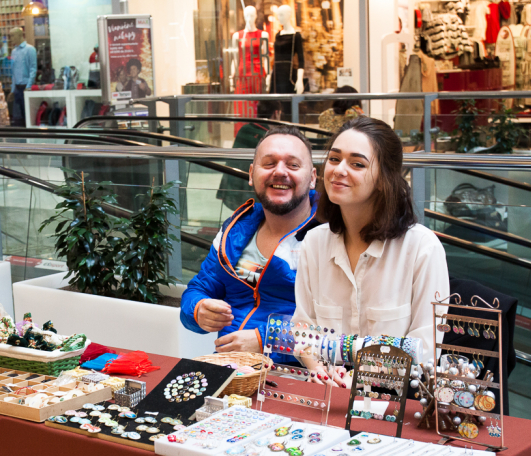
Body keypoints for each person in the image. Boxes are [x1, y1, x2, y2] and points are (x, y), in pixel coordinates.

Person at [292, 117, 449, 386]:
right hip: (328, 395)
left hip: (395, 402)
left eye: (357, 164)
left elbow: (425, 349)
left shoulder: (422, 248)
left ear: (383, 179)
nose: (339, 170)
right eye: (334, 159)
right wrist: (320, 371)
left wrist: (358, 377)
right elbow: (303, 330)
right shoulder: (314, 243)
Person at [181, 126, 320, 363]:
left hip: (299, 380)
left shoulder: (329, 236)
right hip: (232, 373)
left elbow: (338, 327)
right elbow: (199, 289)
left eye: (293, 165)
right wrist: (197, 309)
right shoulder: (236, 232)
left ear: (313, 177)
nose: (280, 172)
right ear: (251, 174)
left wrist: (266, 339)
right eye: (269, 163)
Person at [217, 99, 283, 211]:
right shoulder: (269, 138)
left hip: (234, 191)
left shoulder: (245, 129)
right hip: (253, 196)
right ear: (276, 113)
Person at [8, 28, 37, 127]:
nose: (11, 38)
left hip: (26, 87)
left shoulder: (30, 49)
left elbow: (33, 69)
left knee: (28, 115)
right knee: (18, 118)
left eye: (12, 36)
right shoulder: (14, 52)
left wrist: (29, 86)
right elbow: (14, 72)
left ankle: (30, 137)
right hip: (17, 88)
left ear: (19, 35)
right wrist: (12, 90)